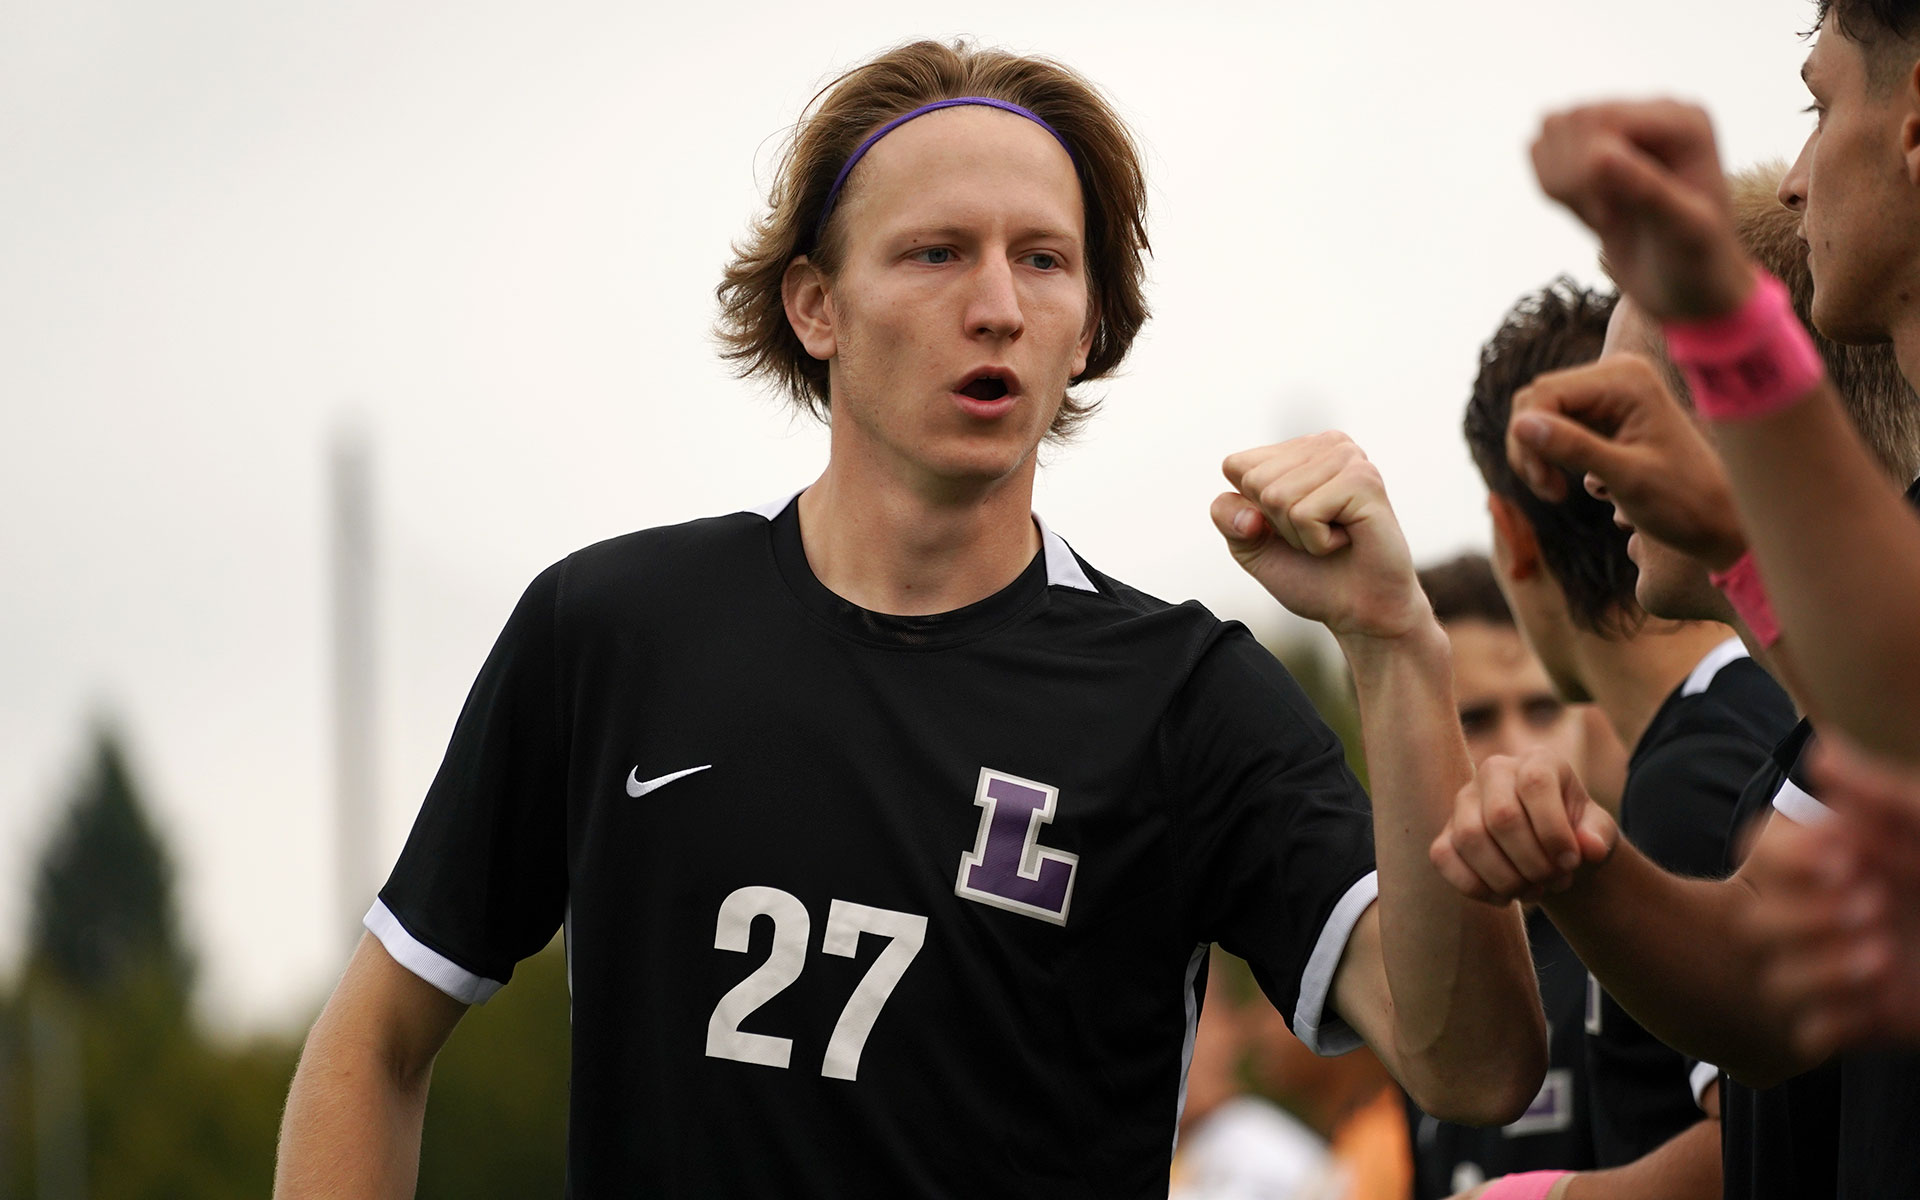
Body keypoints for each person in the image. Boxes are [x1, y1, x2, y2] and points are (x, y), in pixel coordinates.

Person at [273, 40, 1543, 1196]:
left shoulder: (1185, 698)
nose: (996, 304)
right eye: (937, 253)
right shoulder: (612, 629)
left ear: (1087, 324)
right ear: (813, 306)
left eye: (1042, 260)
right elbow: (377, 1039)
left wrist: (1393, 648)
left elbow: (1472, 1069)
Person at [1433, 6, 1920, 1194]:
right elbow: (1762, 1003)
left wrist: (1717, 311)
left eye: (1819, 102)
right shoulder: (1827, 698)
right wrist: (1578, 865)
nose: (1796, 180)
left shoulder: (1707, 754)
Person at [1456, 280, 1798, 1200]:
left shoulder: (1692, 777)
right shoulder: (1755, 719)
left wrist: (1547, 1199)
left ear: (1511, 536)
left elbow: (1768, 1141)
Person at [1406, 554, 1623, 1200]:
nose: (1520, 752)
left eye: (1543, 709)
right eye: (1474, 719)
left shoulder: (1648, 947)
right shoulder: (1412, 958)